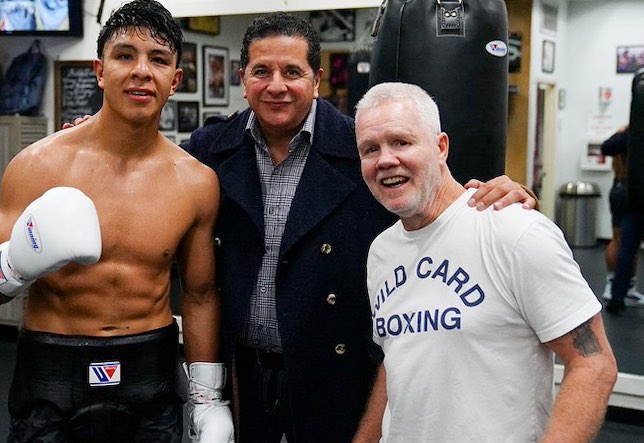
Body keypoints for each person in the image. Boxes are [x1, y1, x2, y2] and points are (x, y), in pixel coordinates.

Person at [184, 13, 537, 443]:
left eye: (292, 72)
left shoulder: (364, 150)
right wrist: (87, 138)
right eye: (262, 71)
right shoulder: (211, 149)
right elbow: (153, 171)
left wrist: (502, 192)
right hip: (245, 374)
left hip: (336, 376)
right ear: (243, 78)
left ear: (316, 80)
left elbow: (437, 198)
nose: (276, 85)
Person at [0, 2, 233, 442]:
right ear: (99, 70)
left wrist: (208, 399)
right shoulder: (37, 166)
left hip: (151, 371)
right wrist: (14, 261)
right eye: (125, 55)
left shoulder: (196, 182)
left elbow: (201, 295)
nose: (142, 71)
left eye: (158, 60)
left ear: (175, 80)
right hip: (52, 372)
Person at [354, 82, 618, 442]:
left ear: (440, 146)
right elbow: (400, 357)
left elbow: (593, 363)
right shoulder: (381, 251)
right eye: (370, 149)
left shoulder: (513, 231)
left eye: (401, 142)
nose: (385, 159)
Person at [600, 125, 644, 314]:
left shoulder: (631, 134)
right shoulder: (630, 134)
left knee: (625, 243)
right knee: (623, 243)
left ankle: (621, 290)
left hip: (626, 192)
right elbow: (606, 148)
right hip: (626, 194)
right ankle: (616, 288)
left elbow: (607, 147)